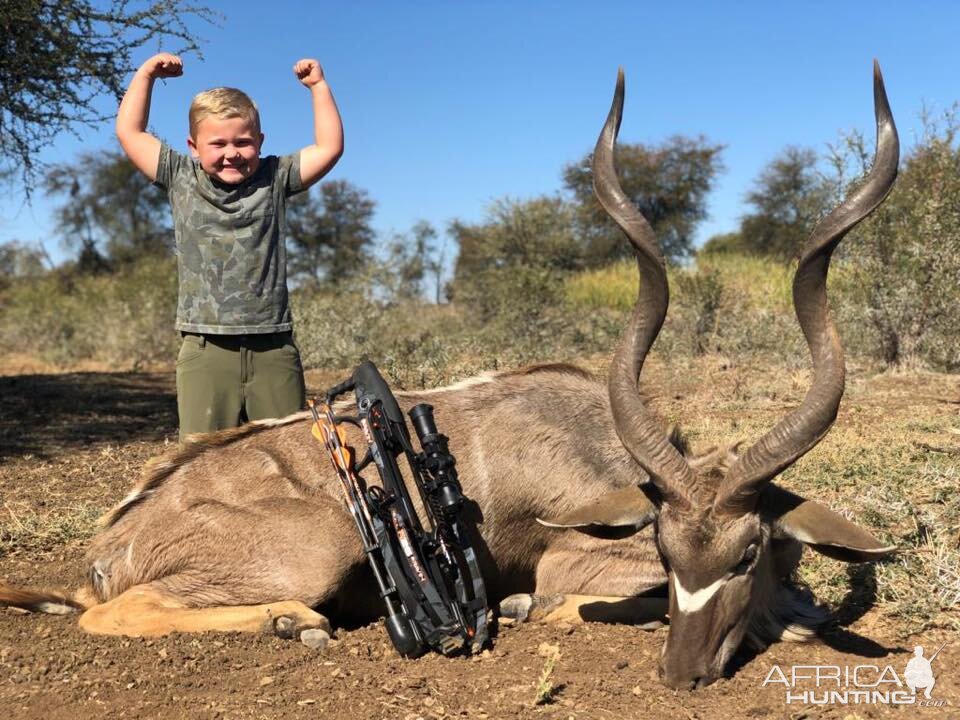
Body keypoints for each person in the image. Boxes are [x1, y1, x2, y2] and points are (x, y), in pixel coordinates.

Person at [115, 53, 343, 440]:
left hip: (273, 345)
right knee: (203, 468)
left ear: (260, 142)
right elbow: (130, 132)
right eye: (217, 143)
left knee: (290, 460)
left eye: (243, 142)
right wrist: (147, 74)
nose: (231, 152)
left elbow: (329, 147)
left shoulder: (276, 176)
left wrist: (318, 88)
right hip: (205, 348)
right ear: (193, 146)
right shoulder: (179, 176)